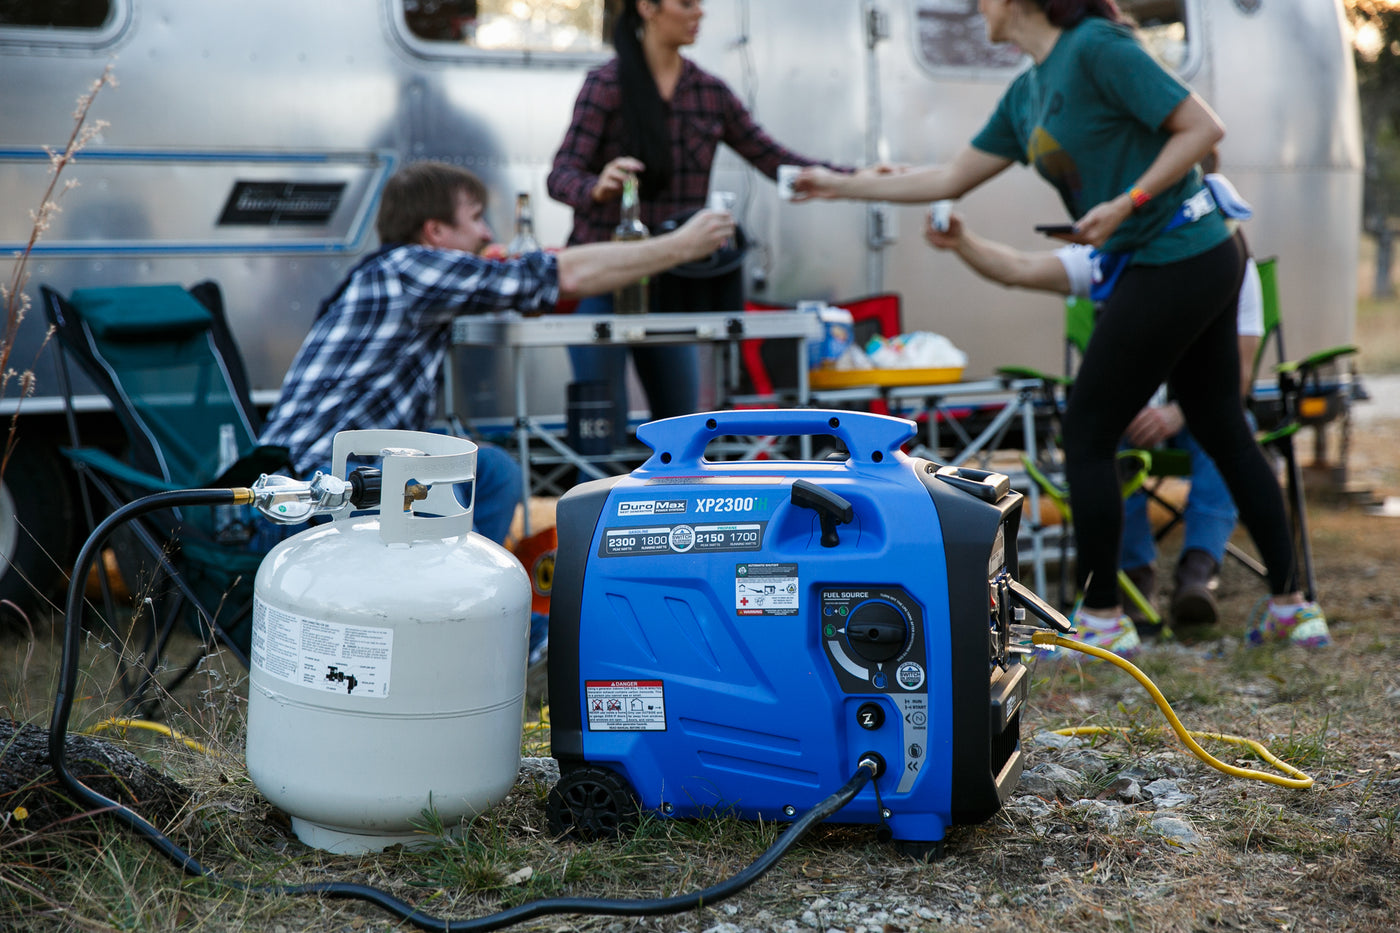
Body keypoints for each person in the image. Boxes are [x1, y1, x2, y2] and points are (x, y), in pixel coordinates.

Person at [794, 0, 1328, 653]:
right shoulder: (1027, 94)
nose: (976, 8)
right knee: (1218, 423)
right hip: (1177, 257)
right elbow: (950, 178)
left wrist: (1125, 203)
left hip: (1183, 248)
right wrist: (837, 184)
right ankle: (1291, 607)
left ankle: (1102, 616)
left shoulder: (1097, 47)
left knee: (1089, 429)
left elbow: (1202, 129)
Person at [260, 159, 735, 547]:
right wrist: (680, 246)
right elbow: (560, 277)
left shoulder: (389, 272)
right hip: (313, 493)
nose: (487, 233)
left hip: (283, 490)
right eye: (475, 218)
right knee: (491, 471)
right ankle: (465, 607)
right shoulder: (413, 267)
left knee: (455, 455)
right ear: (435, 231)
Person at [922, 208, 1262, 635]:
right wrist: (962, 241)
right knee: (1102, 431)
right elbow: (1018, 267)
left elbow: (1240, 376)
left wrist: (1177, 413)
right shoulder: (1112, 258)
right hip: (1132, 410)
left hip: (1198, 410)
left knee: (1231, 426)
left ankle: (1198, 571)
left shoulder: (1224, 261)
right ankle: (1132, 576)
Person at [546, 0, 845, 437]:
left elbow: (773, 159)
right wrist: (596, 185)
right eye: (686, 3)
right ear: (647, 8)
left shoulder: (709, 92)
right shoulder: (606, 84)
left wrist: (854, 177)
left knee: (682, 430)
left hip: (674, 286)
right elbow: (560, 176)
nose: (699, 13)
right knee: (600, 433)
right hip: (602, 280)